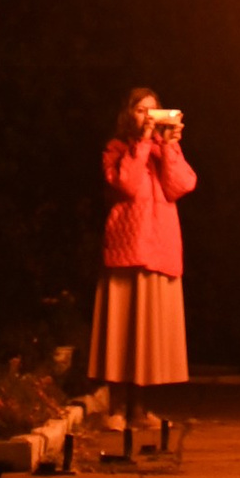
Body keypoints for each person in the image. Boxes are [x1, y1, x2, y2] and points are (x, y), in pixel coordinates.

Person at [89, 88, 196, 457]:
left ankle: (139, 408)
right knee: (121, 332)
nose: (148, 116)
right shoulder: (118, 149)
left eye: (154, 111)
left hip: (159, 249)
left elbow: (182, 185)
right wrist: (141, 143)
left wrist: (168, 146)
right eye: (141, 110)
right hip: (126, 248)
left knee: (146, 335)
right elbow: (125, 184)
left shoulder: (163, 150)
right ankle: (116, 408)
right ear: (128, 115)